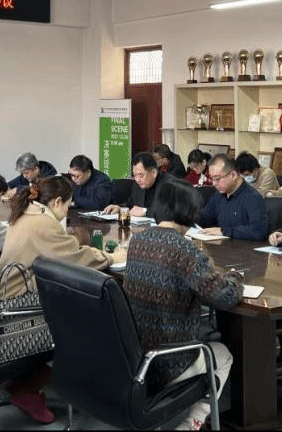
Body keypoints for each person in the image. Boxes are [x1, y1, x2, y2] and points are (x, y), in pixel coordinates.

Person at [0, 175, 114, 424]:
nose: (67, 211)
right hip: (17, 305)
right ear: (56, 202)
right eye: (68, 205)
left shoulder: (26, 213)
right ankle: (31, 389)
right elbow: (75, 259)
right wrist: (109, 256)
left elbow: (60, 249)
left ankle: (23, 379)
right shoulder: (43, 223)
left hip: (1, 297)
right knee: (83, 318)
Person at [123, 180, 242, 430]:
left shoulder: (137, 241)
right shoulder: (185, 250)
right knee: (222, 355)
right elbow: (224, 297)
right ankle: (190, 424)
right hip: (170, 361)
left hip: (135, 356)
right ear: (190, 212)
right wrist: (235, 277)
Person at [197, 154, 267, 240]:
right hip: (220, 245)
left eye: (217, 179)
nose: (214, 183)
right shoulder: (218, 195)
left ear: (233, 175)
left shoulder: (253, 197)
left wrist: (224, 231)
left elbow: (258, 231)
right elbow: (205, 218)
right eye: (212, 179)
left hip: (244, 247)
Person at [103, 153, 172, 219]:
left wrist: (146, 212)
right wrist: (119, 208)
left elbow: (171, 212)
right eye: (134, 175)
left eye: (141, 175)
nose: (137, 179)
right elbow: (131, 205)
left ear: (154, 173)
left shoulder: (169, 185)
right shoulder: (138, 185)